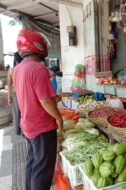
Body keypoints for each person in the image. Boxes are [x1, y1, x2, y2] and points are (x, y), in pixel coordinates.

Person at [13, 29, 63, 190]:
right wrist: (58, 118)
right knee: (43, 170)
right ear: (37, 46)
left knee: (32, 163)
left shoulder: (18, 68)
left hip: (28, 125)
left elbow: (32, 94)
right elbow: (45, 101)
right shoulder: (38, 68)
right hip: (42, 127)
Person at [7, 52, 23, 135]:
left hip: (16, 94)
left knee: (16, 113)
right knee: (25, 112)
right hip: (25, 93)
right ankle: (26, 131)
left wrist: (9, 97)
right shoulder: (25, 68)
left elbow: (9, 85)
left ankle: (18, 131)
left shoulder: (11, 70)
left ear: (15, 59)